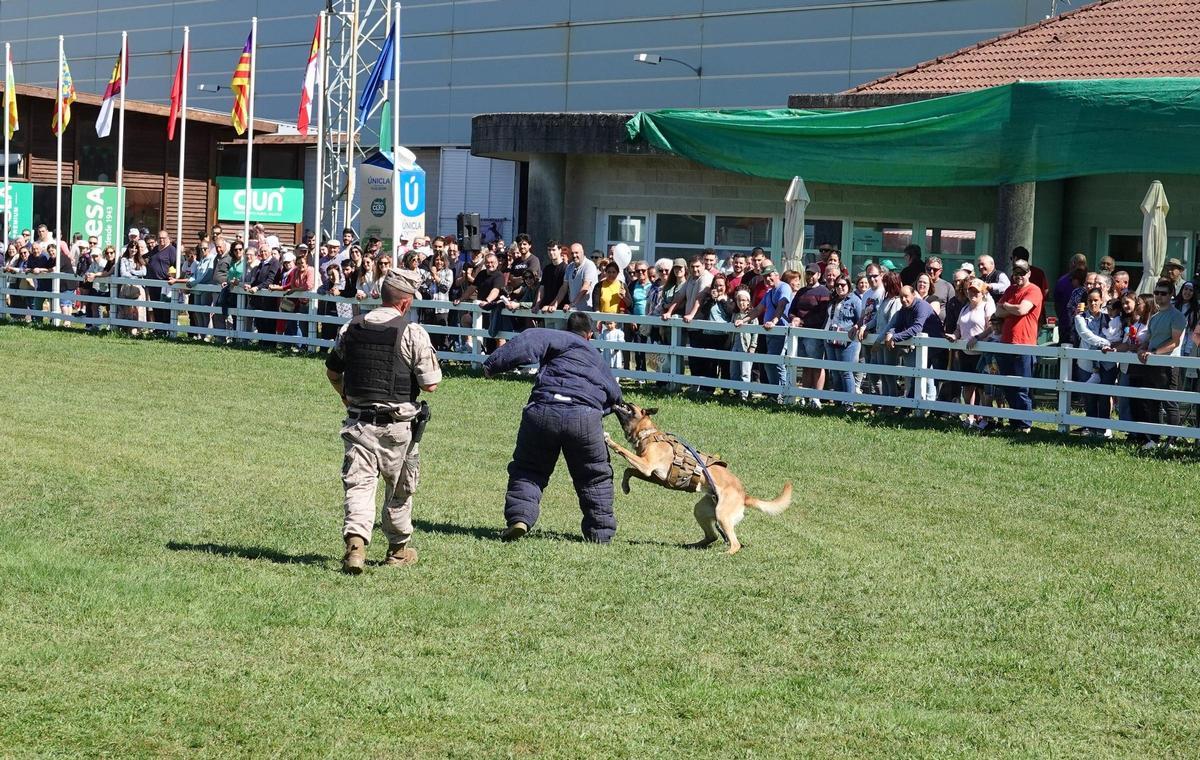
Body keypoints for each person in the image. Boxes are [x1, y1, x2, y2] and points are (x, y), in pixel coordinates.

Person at [325, 269, 441, 574]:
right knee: (400, 488)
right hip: (398, 429)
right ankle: (397, 550)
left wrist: (346, 398)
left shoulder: (350, 327)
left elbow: (334, 373)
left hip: (359, 424)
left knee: (359, 487)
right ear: (405, 303)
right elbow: (430, 384)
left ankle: (356, 546)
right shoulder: (413, 332)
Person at [482, 312, 623, 544]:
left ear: (567, 330)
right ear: (589, 335)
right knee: (594, 477)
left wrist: (491, 366)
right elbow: (615, 397)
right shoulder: (596, 358)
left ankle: (520, 518)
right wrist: (597, 412)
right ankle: (601, 533)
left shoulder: (555, 337)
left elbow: (526, 342)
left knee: (529, 469)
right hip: (584, 417)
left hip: (543, 412)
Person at [969, 258, 1043, 433]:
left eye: (1022, 273)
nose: (1018, 277)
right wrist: (1010, 308)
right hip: (1005, 344)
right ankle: (1015, 423)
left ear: (1029, 273)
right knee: (1007, 386)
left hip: (1024, 345)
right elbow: (998, 311)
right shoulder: (1010, 289)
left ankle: (1025, 424)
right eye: (1016, 273)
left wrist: (1007, 306)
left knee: (1022, 388)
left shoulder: (1034, 290)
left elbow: (1022, 310)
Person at [1128, 279, 1185, 450]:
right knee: (1151, 402)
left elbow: (1174, 342)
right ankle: (1154, 439)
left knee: (1169, 403)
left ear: (1171, 294)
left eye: (1163, 293)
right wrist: (1142, 348)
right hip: (1152, 363)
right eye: (1157, 293)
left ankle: (1172, 441)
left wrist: (1154, 353)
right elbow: (1150, 339)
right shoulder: (1155, 317)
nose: (1159, 296)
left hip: (1169, 364)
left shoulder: (1177, 316)